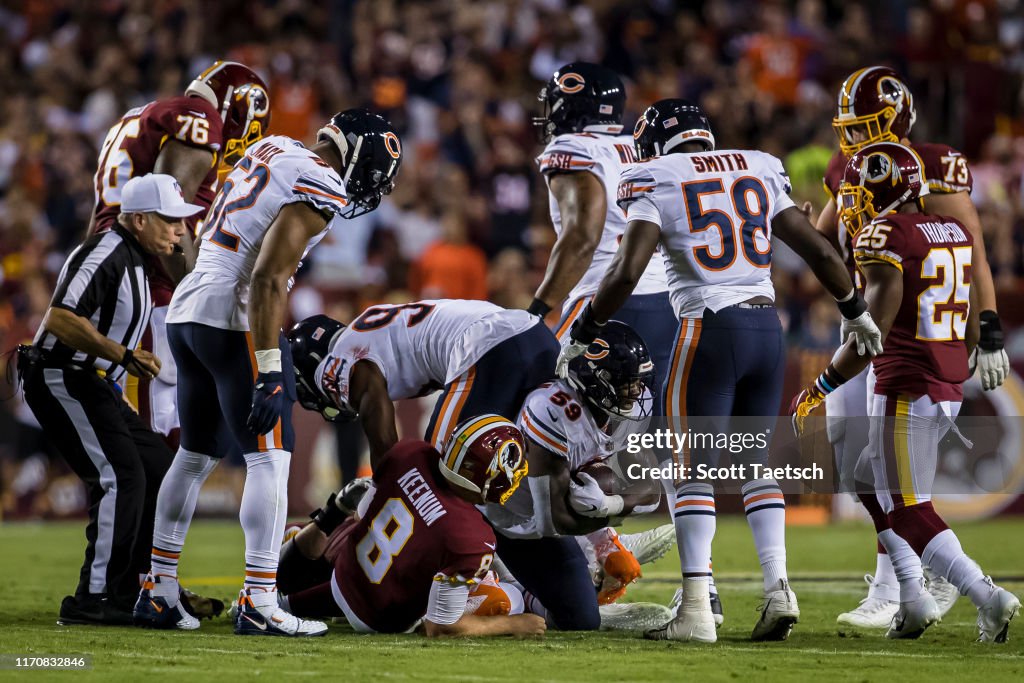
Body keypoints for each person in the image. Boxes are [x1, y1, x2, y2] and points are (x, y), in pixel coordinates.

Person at [557, 99, 883, 643]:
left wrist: (586, 326)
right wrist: (856, 311)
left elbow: (626, 269)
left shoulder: (655, 175)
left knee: (690, 469)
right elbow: (820, 252)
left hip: (707, 328)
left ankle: (697, 610)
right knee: (756, 464)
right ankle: (780, 587)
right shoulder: (758, 164)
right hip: (766, 329)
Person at [133, 110, 402, 636]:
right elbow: (267, 278)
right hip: (232, 310)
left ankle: (158, 588)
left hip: (190, 306)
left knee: (193, 454)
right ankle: (259, 596)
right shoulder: (322, 180)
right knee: (271, 458)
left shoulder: (274, 148)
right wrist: (272, 367)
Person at [792, 142, 1021, 642]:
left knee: (910, 509)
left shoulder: (887, 235)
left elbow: (870, 333)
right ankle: (913, 600)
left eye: (860, 188)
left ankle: (987, 596)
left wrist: (820, 385)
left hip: (906, 382)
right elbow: (960, 319)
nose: (853, 200)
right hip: (943, 379)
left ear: (884, 186)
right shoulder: (953, 230)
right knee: (864, 476)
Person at [19, 174, 196, 625]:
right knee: (119, 476)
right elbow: (58, 318)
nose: (179, 229)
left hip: (92, 380)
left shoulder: (135, 256)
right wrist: (121, 355)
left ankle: (136, 585)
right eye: (170, 220)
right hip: (63, 374)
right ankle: (93, 598)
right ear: (138, 219)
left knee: (159, 468)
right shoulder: (106, 251)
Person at [89, 60, 271, 449]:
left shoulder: (140, 116)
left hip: (121, 275)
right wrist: (199, 295)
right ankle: (144, 511)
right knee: (151, 432)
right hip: (147, 288)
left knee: (165, 424)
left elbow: (103, 218)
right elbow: (167, 214)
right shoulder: (198, 117)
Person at [274, 415, 547, 637]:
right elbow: (441, 627)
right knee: (510, 600)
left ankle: (285, 592)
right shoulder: (473, 538)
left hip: (345, 575)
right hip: (383, 619)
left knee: (354, 525)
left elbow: (362, 514)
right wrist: (514, 625)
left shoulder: (411, 452)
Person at [488, 321, 671, 631]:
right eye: (626, 381)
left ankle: (579, 580)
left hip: (556, 516)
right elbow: (551, 521)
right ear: (594, 379)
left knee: (581, 620)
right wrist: (604, 523)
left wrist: (611, 506)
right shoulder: (552, 409)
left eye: (639, 380)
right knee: (500, 602)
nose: (637, 391)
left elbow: (651, 487)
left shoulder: (629, 409)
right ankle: (514, 583)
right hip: (509, 522)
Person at [286, 299, 558, 461]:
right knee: (535, 466)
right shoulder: (366, 325)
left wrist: (385, 488)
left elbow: (375, 411)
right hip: (534, 333)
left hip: (488, 346)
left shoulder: (342, 357)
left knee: (440, 472)